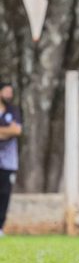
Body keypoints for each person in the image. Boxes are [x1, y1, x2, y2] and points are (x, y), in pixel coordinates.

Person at [0, 82, 22, 237]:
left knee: (4, 194)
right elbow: (11, 130)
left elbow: (17, 130)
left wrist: (9, 131)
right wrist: (7, 131)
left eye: (11, 92)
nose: (9, 95)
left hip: (8, 161)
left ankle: (0, 227)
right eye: (6, 92)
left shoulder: (14, 110)